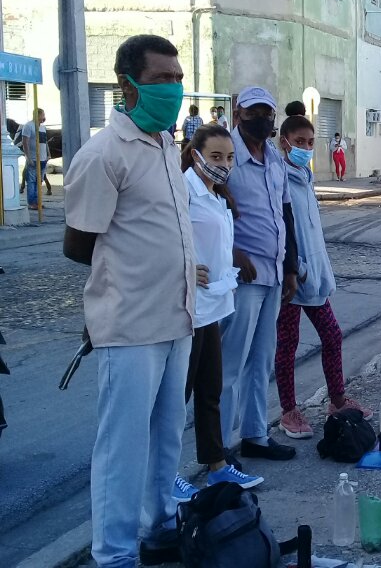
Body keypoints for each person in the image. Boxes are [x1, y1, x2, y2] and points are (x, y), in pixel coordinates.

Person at [63, 34, 197, 568]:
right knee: (122, 449)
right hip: (129, 326)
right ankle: (114, 554)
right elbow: (79, 245)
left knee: (167, 436)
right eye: (162, 78)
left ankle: (160, 524)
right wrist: (125, 281)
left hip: (177, 318)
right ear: (128, 85)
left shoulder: (166, 145)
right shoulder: (103, 154)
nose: (175, 88)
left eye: (177, 78)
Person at [174, 125, 264, 504]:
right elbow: (163, 237)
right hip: (186, 311)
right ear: (195, 154)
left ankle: (216, 466)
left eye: (228, 158)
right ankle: (168, 475)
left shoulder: (215, 194)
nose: (224, 164)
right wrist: (179, 265)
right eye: (215, 157)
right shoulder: (182, 191)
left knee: (210, 391)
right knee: (176, 400)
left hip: (213, 306)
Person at [273, 115, 370, 439]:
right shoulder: (279, 175)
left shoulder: (304, 174)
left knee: (332, 335)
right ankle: (288, 411)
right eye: (299, 142)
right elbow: (283, 227)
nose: (305, 148)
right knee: (288, 344)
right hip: (291, 275)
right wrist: (294, 267)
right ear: (284, 141)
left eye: (310, 142)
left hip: (312, 274)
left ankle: (337, 400)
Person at [219, 86, 300, 462]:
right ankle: (217, 448)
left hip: (273, 273)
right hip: (242, 276)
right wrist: (232, 253)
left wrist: (290, 268)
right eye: (254, 113)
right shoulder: (224, 153)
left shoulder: (275, 158)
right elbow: (201, 210)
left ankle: (254, 435)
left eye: (268, 112)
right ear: (238, 114)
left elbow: (286, 214)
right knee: (230, 363)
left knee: (262, 359)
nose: (263, 119)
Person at [20, 108, 49, 210]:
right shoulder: (28, 126)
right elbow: (25, 142)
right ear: (37, 115)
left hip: (43, 159)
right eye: (43, 115)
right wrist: (28, 157)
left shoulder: (43, 128)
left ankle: (38, 202)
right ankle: (32, 202)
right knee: (32, 181)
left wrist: (48, 155)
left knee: (39, 181)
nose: (44, 117)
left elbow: (45, 143)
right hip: (33, 158)